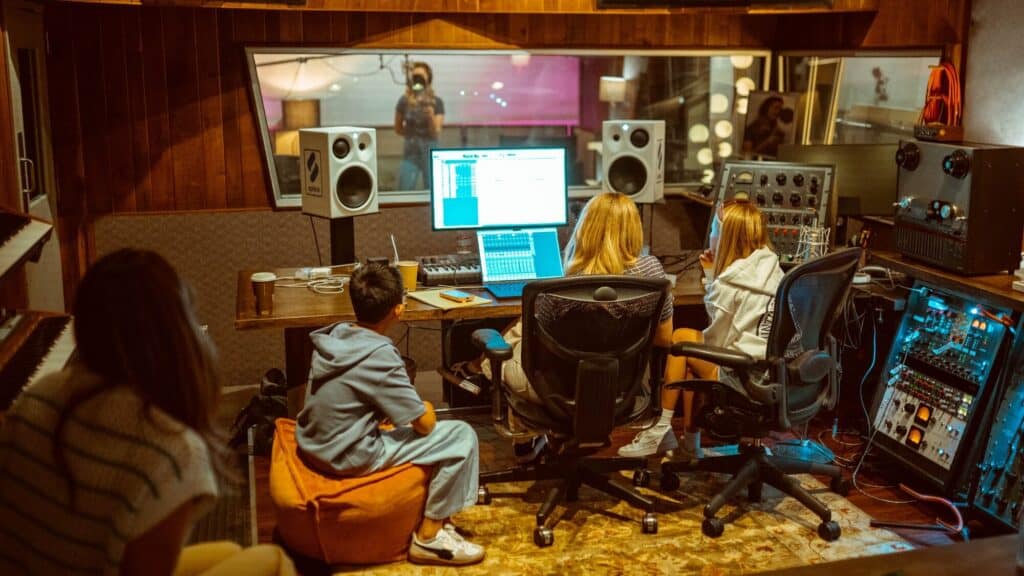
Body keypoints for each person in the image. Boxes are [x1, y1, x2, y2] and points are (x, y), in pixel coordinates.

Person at [0, 249, 295, 575]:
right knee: (273, 562)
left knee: (229, 551)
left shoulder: (38, 396)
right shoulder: (170, 450)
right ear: (176, 335)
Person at [295, 263, 484, 567]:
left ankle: (436, 523)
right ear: (398, 310)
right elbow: (424, 425)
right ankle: (429, 538)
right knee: (461, 436)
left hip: (313, 442)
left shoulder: (335, 336)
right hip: (347, 455)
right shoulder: (379, 356)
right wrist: (426, 407)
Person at [476, 192, 675, 462]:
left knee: (500, 352)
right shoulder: (652, 275)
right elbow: (664, 339)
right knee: (523, 331)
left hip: (555, 392)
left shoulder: (564, 286)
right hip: (618, 389)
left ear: (586, 229)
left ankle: (525, 439)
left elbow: (537, 348)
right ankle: (555, 437)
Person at [619, 200, 783, 459]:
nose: (711, 237)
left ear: (726, 238)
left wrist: (713, 278)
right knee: (689, 354)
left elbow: (715, 342)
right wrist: (713, 275)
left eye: (714, 231)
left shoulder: (732, 283)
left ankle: (662, 429)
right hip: (776, 376)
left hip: (745, 380)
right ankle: (689, 443)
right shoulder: (772, 269)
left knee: (681, 340)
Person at [394, 61, 445, 190]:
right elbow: (398, 128)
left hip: (430, 152)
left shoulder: (436, 102)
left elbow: (436, 132)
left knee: (432, 189)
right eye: (415, 76)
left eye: (421, 77)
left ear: (428, 79)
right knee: (404, 189)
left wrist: (430, 116)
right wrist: (412, 134)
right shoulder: (404, 101)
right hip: (410, 152)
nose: (417, 80)